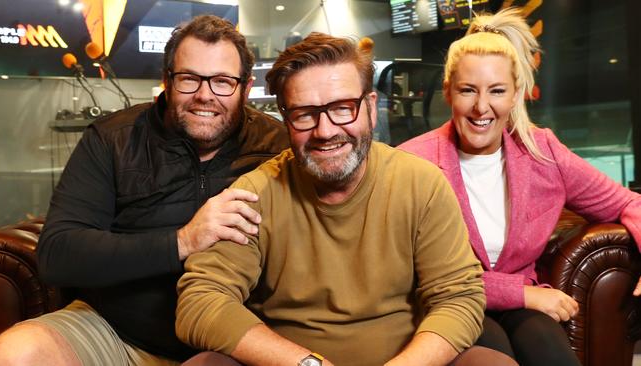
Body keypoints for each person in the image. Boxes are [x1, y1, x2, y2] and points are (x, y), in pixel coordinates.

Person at [175, 32, 518, 366]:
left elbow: (459, 297)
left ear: (370, 107)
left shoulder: (421, 184)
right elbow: (201, 300)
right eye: (305, 113)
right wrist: (307, 363)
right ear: (286, 118)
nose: (325, 131)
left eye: (342, 108)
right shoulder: (256, 193)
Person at [0, 15, 289, 365]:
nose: (205, 95)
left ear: (244, 85)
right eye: (189, 79)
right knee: (14, 354)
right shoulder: (113, 138)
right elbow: (57, 255)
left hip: (233, 337)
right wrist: (183, 241)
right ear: (167, 80)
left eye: (223, 81)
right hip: (116, 331)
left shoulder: (278, 146)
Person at [398, 7, 641, 366]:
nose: (482, 107)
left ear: (515, 95)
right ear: (448, 92)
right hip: (447, 304)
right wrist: (522, 294)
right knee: (497, 357)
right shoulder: (410, 162)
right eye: (468, 90)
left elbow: (628, 203)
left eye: (497, 91)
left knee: (553, 355)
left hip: (523, 302)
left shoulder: (543, 152)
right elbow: (416, 274)